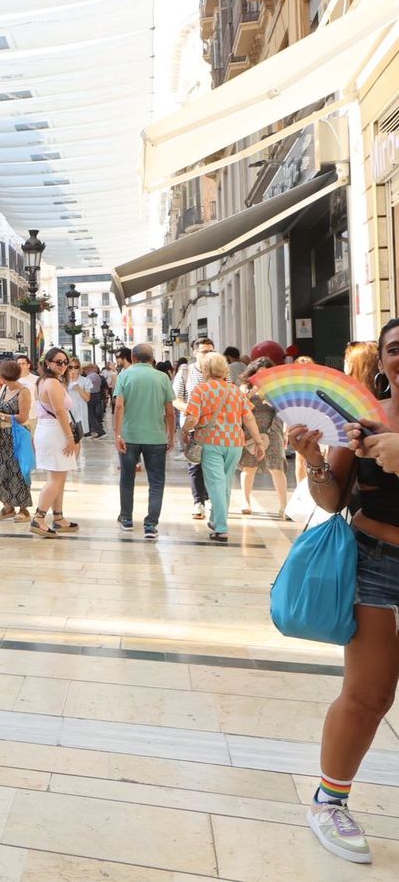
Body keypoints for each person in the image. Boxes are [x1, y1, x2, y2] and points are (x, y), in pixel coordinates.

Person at [289, 318, 399, 867]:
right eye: (396, 349)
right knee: (370, 693)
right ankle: (329, 800)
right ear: (381, 363)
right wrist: (312, 458)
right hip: (375, 564)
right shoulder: (364, 422)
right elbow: (332, 500)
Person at [184, 352, 265, 542]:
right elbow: (248, 417)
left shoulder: (200, 390)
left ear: (205, 370)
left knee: (216, 484)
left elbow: (193, 419)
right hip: (235, 443)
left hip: (211, 442)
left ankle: (221, 527)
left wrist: (186, 430)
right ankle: (215, 520)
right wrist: (259, 442)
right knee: (225, 483)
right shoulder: (235, 390)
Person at [113, 343, 175, 539]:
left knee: (127, 477)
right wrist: (171, 435)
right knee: (156, 481)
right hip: (156, 436)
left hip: (130, 435)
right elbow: (170, 411)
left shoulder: (125, 375)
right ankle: (150, 524)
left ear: (132, 357)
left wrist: (118, 434)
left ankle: (127, 519)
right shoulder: (162, 377)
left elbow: (119, 406)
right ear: (151, 358)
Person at [29, 348, 81, 538]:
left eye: (65, 362)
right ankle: (39, 517)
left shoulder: (43, 382)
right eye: (58, 362)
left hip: (48, 430)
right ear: (48, 363)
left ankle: (58, 518)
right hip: (55, 432)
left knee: (58, 477)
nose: (63, 365)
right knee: (56, 480)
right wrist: (70, 438)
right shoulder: (52, 383)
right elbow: (60, 412)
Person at [237, 360, 289, 519]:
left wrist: (278, 431)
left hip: (272, 431)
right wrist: (252, 392)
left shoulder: (276, 389)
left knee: (276, 467)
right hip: (250, 431)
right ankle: (246, 502)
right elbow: (239, 407)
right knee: (249, 467)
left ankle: (284, 506)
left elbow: (282, 411)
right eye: (259, 372)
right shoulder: (244, 389)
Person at [174, 336, 217, 520]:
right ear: (195, 353)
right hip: (193, 426)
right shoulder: (186, 372)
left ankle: (213, 499)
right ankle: (198, 502)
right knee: (195, 464)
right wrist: (195, 412)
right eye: (204, 352)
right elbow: (176, 399)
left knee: (215, 465)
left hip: (218, 427)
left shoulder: (221, 371)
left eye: (211, 351)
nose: (208, 355)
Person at [0, 359, 32, 522]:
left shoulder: (24, 392)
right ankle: (7, 506)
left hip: (17, 435)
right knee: (0, 470)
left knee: (19, 471)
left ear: (5, 376)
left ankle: (23, 508)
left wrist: (0, 415)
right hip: (3, 436)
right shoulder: (5, 389)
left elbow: (23, 417)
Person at [66, 362, 91, 441]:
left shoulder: (85, 380)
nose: (73, 369)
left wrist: (79, 389)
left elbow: (87, 398)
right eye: (71, 367)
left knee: (78, 437)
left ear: (79, 368)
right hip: (67, 411)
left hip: (80, 411)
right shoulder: (63, 380)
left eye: (76, 367)